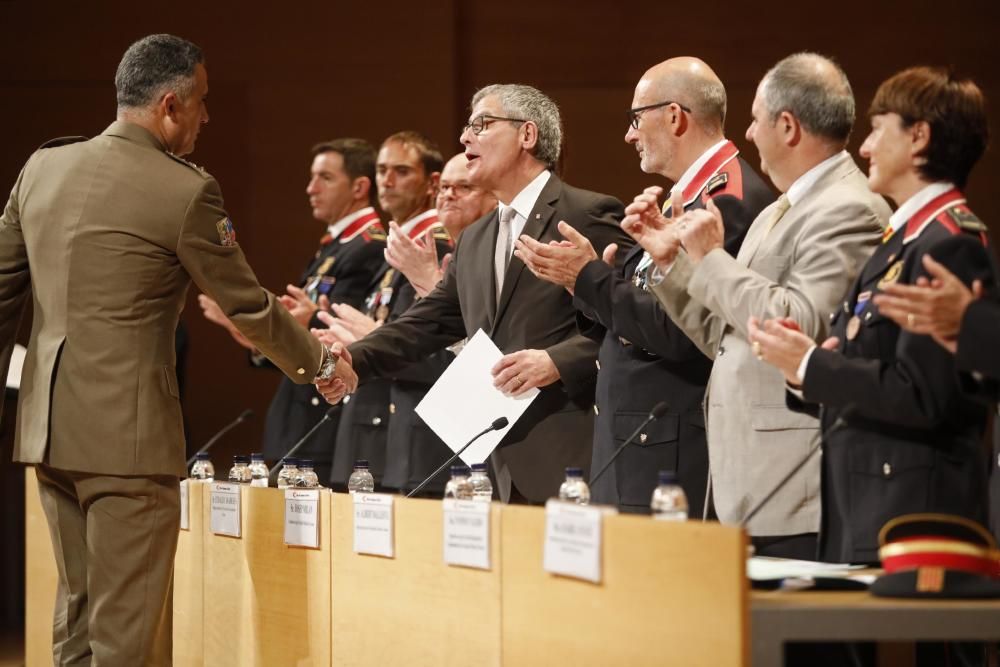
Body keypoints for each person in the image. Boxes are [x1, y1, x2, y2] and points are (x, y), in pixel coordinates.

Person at [0, 34, 352, 665]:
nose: (206, 116)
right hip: (127, 446)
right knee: (127, 642)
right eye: (202, 102)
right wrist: (320, 363)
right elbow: (247, 305)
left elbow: (1, 294)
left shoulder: (41, 169)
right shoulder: (184, 191)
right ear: (169, 106)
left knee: (76, 628)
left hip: (48, 433)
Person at [622, 53, 888, 557]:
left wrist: (710, 258)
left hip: (795, 480)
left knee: (804, 635)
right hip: (744, 478)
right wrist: (672, 266)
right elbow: (726, 335)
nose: (747, 134)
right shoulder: (776, 212)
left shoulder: (849, 207)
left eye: (756, 120)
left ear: (787, 127)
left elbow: (799, 325)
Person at [324, 84, 634, 502]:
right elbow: (427, 323)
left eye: (481, 125)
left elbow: (633, 323)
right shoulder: (475, 237)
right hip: (494, 464)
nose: (464, 137)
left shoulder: (587, 214)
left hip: (572, 457)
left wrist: (557, 360)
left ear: (527, 135)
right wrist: (354, 359)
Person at [748, 66, 994, 564]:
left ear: (919, 138)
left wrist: (814, 365)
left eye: (880, 128)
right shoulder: (900, 242)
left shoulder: (945, 245)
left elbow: (924, 396)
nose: (864, 147)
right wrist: (807, 370)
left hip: (916, 513)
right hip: (869, 503)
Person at [515, 57, 772, 515]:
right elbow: (648, 305)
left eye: (636, 119)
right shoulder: (687, 197)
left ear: (674, 116)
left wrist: (587, 279)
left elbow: (683, 330)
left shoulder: (725, 200)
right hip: (640, 443)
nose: (629, 135)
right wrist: (594, 280)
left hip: (670, 451)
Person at [199, 138, 385, 481]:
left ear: (360, 187)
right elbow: (302, 340)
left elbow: (335, 339)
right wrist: (247, 328)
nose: (310, 188)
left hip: (321, 421)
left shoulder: (368, 249)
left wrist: (279, 323)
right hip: (301, 416)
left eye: (325, 178)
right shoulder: (337, 247)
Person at [323, 132, 455, 492]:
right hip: (383, 433)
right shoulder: (399, 246)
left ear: (432, 182)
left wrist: (370, 336)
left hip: (418, 438)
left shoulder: (433, 246)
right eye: (382, 170)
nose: (387, 180)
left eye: (401, 171)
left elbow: (437, 348)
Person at [384, 153, 497, 298]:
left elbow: (476, 319)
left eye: (464, 187)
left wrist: (431, 284)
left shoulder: (498, 258)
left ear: (495, 197)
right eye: (444, 187)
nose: (449, 194)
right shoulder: (452, 257)